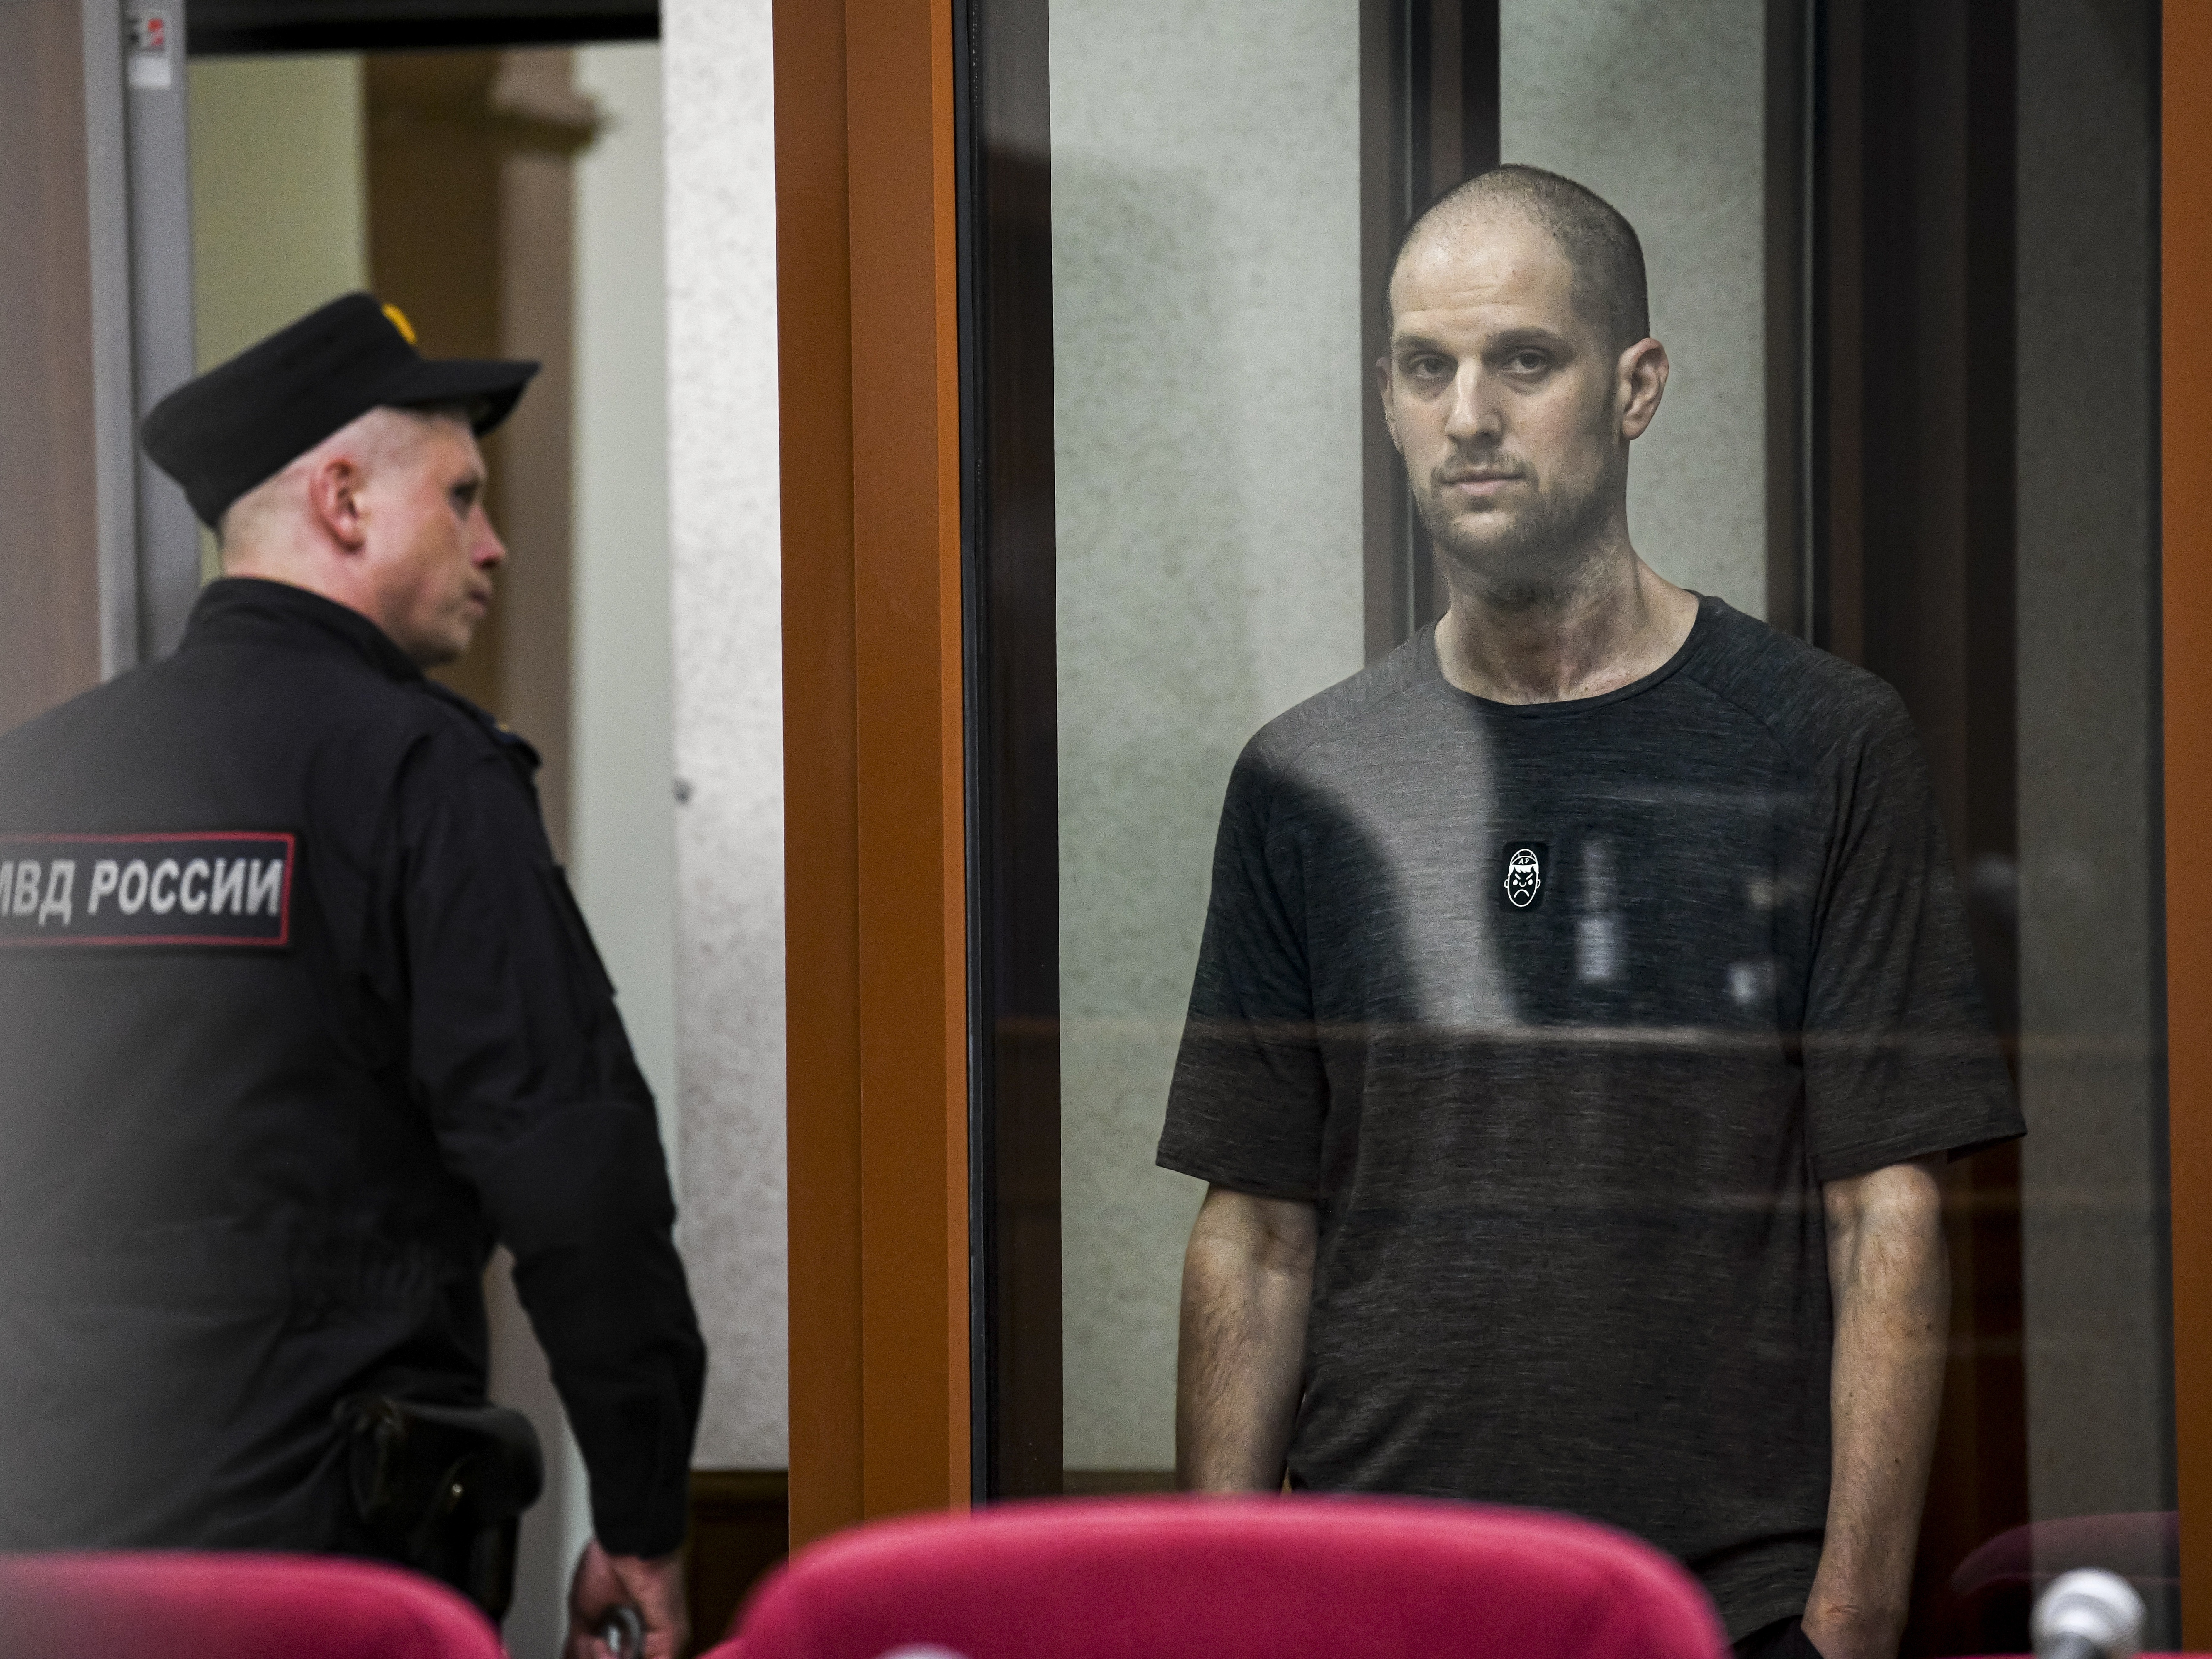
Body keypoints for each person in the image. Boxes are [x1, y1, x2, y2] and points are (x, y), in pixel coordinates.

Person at [1159, 167, 2022, 1659]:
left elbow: (1885, 1211)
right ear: (1386, 398)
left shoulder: (1820, 740)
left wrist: (1851, 1625)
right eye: (1428, 369)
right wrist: (1216, 1615)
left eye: (1524, 361)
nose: (1469, 414)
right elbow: (1255, 1232)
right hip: (1378, 1601)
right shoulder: (1308, 778)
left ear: (1636, 388)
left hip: (1725, 1609)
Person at [0, 294, 705, 1659]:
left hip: (42, 1545)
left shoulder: (31, 782)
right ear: (341, 499)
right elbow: (574, 1172)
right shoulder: (417, 775)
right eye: (461, 495)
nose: (490, 543)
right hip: (321, 1564)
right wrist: (642, 1505)